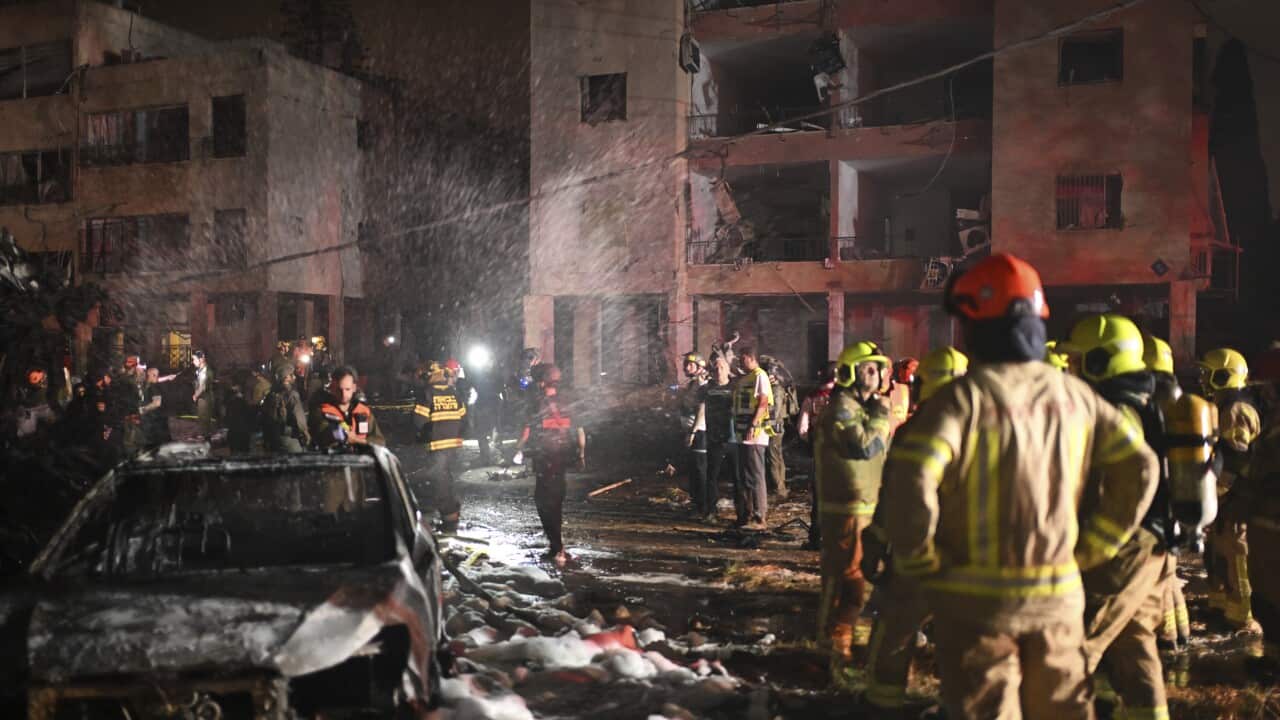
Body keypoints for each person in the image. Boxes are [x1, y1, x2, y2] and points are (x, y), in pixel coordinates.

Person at [881, 253, 1159, 720]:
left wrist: (919, 558)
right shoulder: (1076, 395)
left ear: (972, 325)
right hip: (1059, 599)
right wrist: (1097, 546)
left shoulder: (962, 400)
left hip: (977, 607)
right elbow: (1142, 466)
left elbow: (912, 477)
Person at [1062, 314, 1173, 720]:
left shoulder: (1115, 412)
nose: (1072, 370)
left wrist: (1095, 546)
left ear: (1100, 362)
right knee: (1133, 642)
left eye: (1079, 362)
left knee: (1072, 644)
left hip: (1124, 549)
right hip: (1152, 544)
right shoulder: (1144, 402)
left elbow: (1119, 488)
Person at [862, 346, 967, 716]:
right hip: (972, 556)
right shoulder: (989, 431)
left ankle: (882, 704)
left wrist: (875, 540)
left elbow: (895, 494)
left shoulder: (915, 433)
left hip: (919, 551)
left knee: (895, 629)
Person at [814, 341, 893, 678]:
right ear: (849, 373)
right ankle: (832, 647)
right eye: (868, 367)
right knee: (846, 580)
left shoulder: (860, 408)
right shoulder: (842, 408)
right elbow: (864, 447)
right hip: (846, 509)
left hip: (864, 506)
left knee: (858, 580)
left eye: (878, 367)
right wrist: (882, 415)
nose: (876, 373)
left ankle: (843, 641)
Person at [1199, 348, 1261, 631]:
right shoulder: (1225, 407)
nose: (1203, 379)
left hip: (1240, 498)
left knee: (1236, 554)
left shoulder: (1235, 410)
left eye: (1208, 373)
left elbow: (1236, 457)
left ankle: (1242, 618)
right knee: (1218, 552)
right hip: (1232, 498)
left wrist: (1215, 492)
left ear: (1223, 376)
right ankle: (1221, 606)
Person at [516, 364, 585, 565]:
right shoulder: (568, 401)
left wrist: (516, 450)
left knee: (544, 502)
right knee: (556, 501)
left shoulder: (535, 403)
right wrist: (581, 454)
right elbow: (580, 431)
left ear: (541, 381)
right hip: (562, 459)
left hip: (545, 459)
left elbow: (526, 432)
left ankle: (557, 547)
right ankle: (557, 546)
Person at [414, 361, 468, 532]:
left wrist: (422, 438)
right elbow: (464, 419)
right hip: (454, 446)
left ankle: (450, 520)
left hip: (437, 446)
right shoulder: (453, 393)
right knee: (447, 480)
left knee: (439, 482)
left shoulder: (427, 394)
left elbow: (419, 421)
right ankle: (451, 517)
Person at [694, 354, 738, 525]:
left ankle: (742, 513)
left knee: (737, 477)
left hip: (733, 439)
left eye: (722, 368)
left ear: (728, 370)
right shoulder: (706, 389)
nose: (719, 371)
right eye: (716, 368)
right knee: (712, 476)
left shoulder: (735, 387)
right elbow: (699, 407)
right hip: (714, 438)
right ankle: (710, 511)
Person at [798, 361, 837, 550]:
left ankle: (815, 538)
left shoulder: (812, 397)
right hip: (842, 452)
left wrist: (812, 441)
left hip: (819, 450)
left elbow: (802, 429)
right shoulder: (846, 397)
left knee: (819, 495)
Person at [732, 347, 772, 529]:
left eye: (741, 359)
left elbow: (763, 401)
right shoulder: (745, 378)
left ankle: (759, 516)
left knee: (755, 475)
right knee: (745, 475)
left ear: (749, 357)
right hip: (742, 433)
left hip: (754, 434)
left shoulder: (759, 376)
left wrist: (754, 425)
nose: (739, 362)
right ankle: (746, 515)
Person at [309, 366, 385, 449]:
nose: (343, 394)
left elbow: (380, 442)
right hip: (333, 459)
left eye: (347, 389)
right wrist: (341, 435)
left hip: (361, 460)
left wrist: (356, 440)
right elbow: (322, 436)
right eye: (339, 390)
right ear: (332, 388)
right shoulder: (321, 412)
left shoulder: (364, 412)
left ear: (354, 388)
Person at [679, 352, 712, 519]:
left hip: (699, 432)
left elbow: (701, 410)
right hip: (691, 431)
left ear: (700, 367)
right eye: (685, 364)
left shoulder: (702, 384)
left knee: (700, 471)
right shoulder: (693, 383)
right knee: (693, 470)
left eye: (690, 365)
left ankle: (703, 508)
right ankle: (697, 505)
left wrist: (693, 432)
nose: (686, 367)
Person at [761, 355, 796, 500]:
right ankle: (780, 487)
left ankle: (778, 489)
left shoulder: (776, 389)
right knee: (777, 456)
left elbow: (773, 411)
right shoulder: (779, 387)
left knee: (773, 457)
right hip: (777, 425)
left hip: (774, 425)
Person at [263, 364, 310, 452]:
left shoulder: (270, 395)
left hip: (274, 439)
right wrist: (305, 432)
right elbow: (299, 418)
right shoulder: (292, 395)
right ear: (286, 378)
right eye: (291, 375)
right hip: (290, 438)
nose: (294, 377)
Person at [139, 365, 171, 447]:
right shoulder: (148, 385)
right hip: (155, 422)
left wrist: (143, 409)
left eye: (157, 375)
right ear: (148, 375)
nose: (156, 377)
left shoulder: (153, 387)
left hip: (155, 422)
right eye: (154, 375)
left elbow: (157, 403)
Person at [191, 350, 214, 441]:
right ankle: (206, 438)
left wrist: (195, 395)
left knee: (204, 420)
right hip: (204, 398)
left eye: (194, 359)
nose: (193, 362)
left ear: (201, 359)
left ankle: (207, 441)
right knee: (203, 419)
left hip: (205, 398)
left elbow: (203, 386)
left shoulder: (204, 371)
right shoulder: (200, 370)